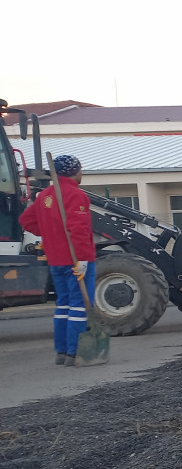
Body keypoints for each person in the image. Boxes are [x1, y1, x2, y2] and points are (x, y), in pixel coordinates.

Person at [19, 155, 96, 367]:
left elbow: (25, 220)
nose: (81, 173)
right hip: (75, 259)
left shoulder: (45, 195)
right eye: (80, 169)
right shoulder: (75, 195)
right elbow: (79, 230)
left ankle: (61, 352)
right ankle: (76, 352)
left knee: (63, 305)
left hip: (55, 260)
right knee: (79, 306)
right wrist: (81, 259)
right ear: (74, 171)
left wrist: (50, 233)